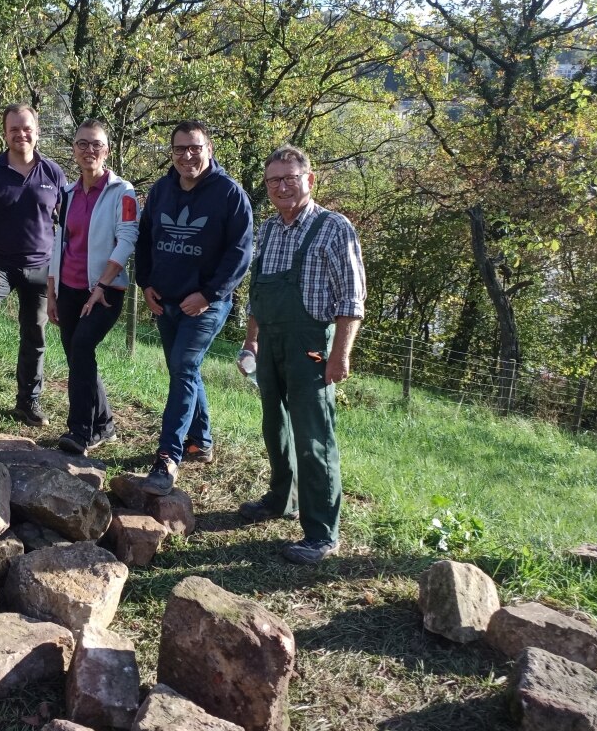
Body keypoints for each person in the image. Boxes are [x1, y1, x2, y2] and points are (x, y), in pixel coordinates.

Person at [237, 144, 366, 564]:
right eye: (273, 181)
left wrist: (340, 355)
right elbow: (257, 296)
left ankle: (322, 532)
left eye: (290, 178)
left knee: (314, 437)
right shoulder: (270, 230)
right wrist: (251, 340)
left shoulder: (334, 228)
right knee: (274, 426)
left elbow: (352, 300)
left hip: (311, 346)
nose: (281, 187)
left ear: (309, 180)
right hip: (270, 343)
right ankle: (280, 499)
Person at [136, 120, 253, 496]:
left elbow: (240, 253)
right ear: (171, 152)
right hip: (165, 298)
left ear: (209, 148)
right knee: (182, 368)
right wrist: (145, 283)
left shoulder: (229, 194)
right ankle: (201, 441)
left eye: (194, 148)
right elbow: (145, 237)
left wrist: (208, 295)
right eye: (179, 149)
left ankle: (168, 457)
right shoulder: (161, 189)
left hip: (206, 305)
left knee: (183, 367)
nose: (187, 156)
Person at [0, 103, 66, 425]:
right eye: (14, 129)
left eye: (27, 128)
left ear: (37, 131)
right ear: (4, 134)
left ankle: (28, 402)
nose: (21, 134)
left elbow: (67, 226)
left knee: (36, 332)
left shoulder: (54, 173)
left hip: (41, 269)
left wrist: (61, 273)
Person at [47, 120, 139, 455]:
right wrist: (52, 289)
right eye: (82, 144)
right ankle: (105, 424)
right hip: (69, 288)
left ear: (107, 150)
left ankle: (80, 430)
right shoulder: (67, 194)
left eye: (96, 144)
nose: (89, 150)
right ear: (73, 149)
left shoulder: (122, 192)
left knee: (83, 348)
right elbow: (60, 242)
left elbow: (128, 238)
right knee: (77, 355)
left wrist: (103, 283)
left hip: (106, 290)